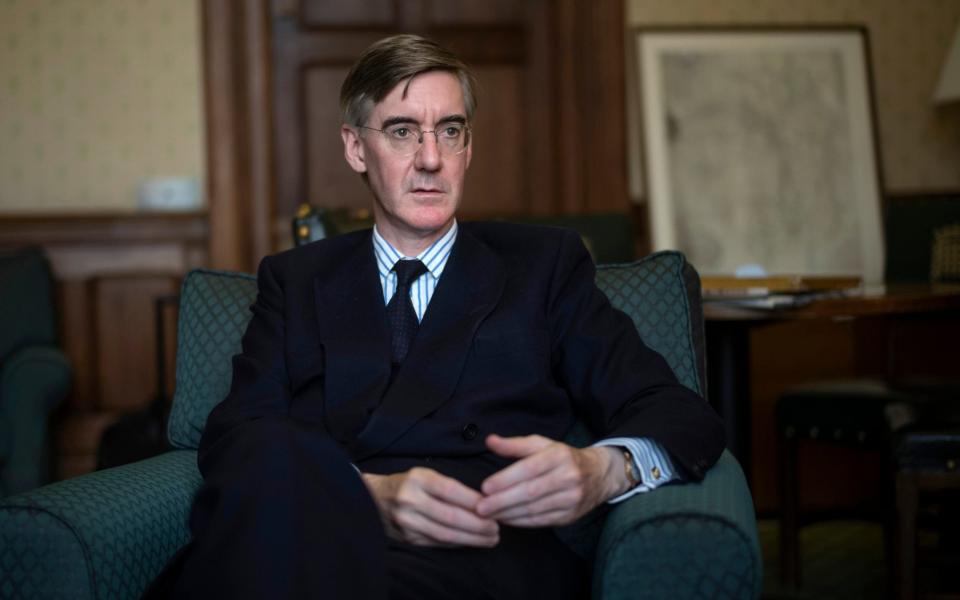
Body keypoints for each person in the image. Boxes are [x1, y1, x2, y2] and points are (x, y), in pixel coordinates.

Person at [152, 34, 724, 600]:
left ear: (468, 148)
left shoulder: (543, 267)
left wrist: (605, 470)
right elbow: (236, 436)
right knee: (269, 466)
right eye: (402, 132)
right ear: (355, 149)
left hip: (478, 556)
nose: (431, 159)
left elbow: (677, 411)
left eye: (449, 131)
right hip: (315, 539)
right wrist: (364, 497)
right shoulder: (296, 280)